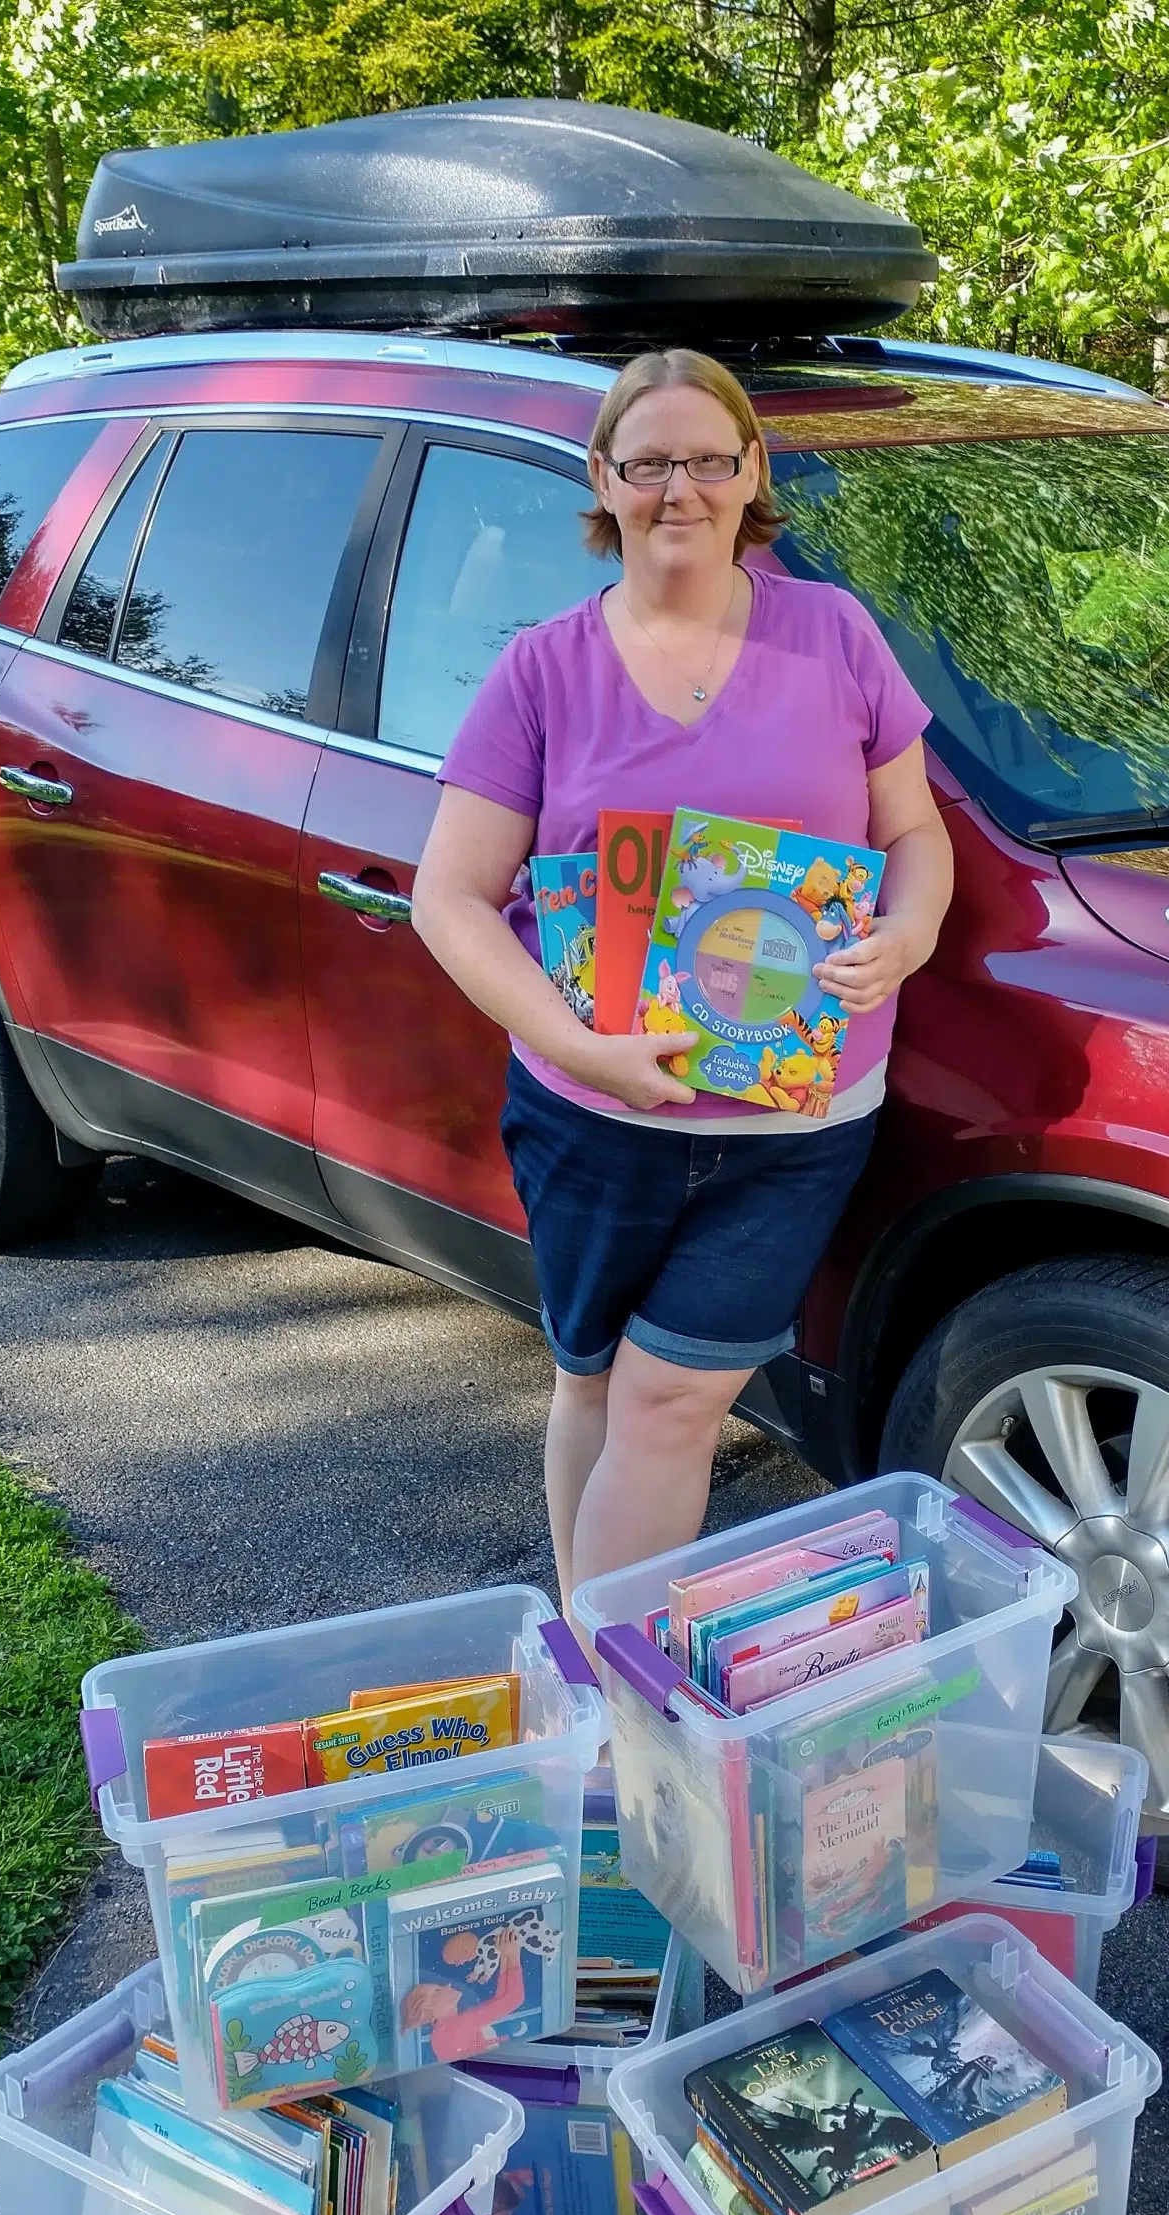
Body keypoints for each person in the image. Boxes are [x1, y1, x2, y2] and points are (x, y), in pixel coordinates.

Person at [412, 346, 953, 1606]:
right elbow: (450, 895)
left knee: (671, 1399)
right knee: (594, 1376)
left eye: (708, 460)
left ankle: (612, 1686)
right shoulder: (541, 670)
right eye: (648, 462)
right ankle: (592, 1660)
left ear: (750, 470)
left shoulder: (834, 634)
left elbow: (913, 832)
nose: (680, 490)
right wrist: (579, 1043)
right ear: (603, 478)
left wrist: (911, 928)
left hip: (794, 1117)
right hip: (593, 1114)